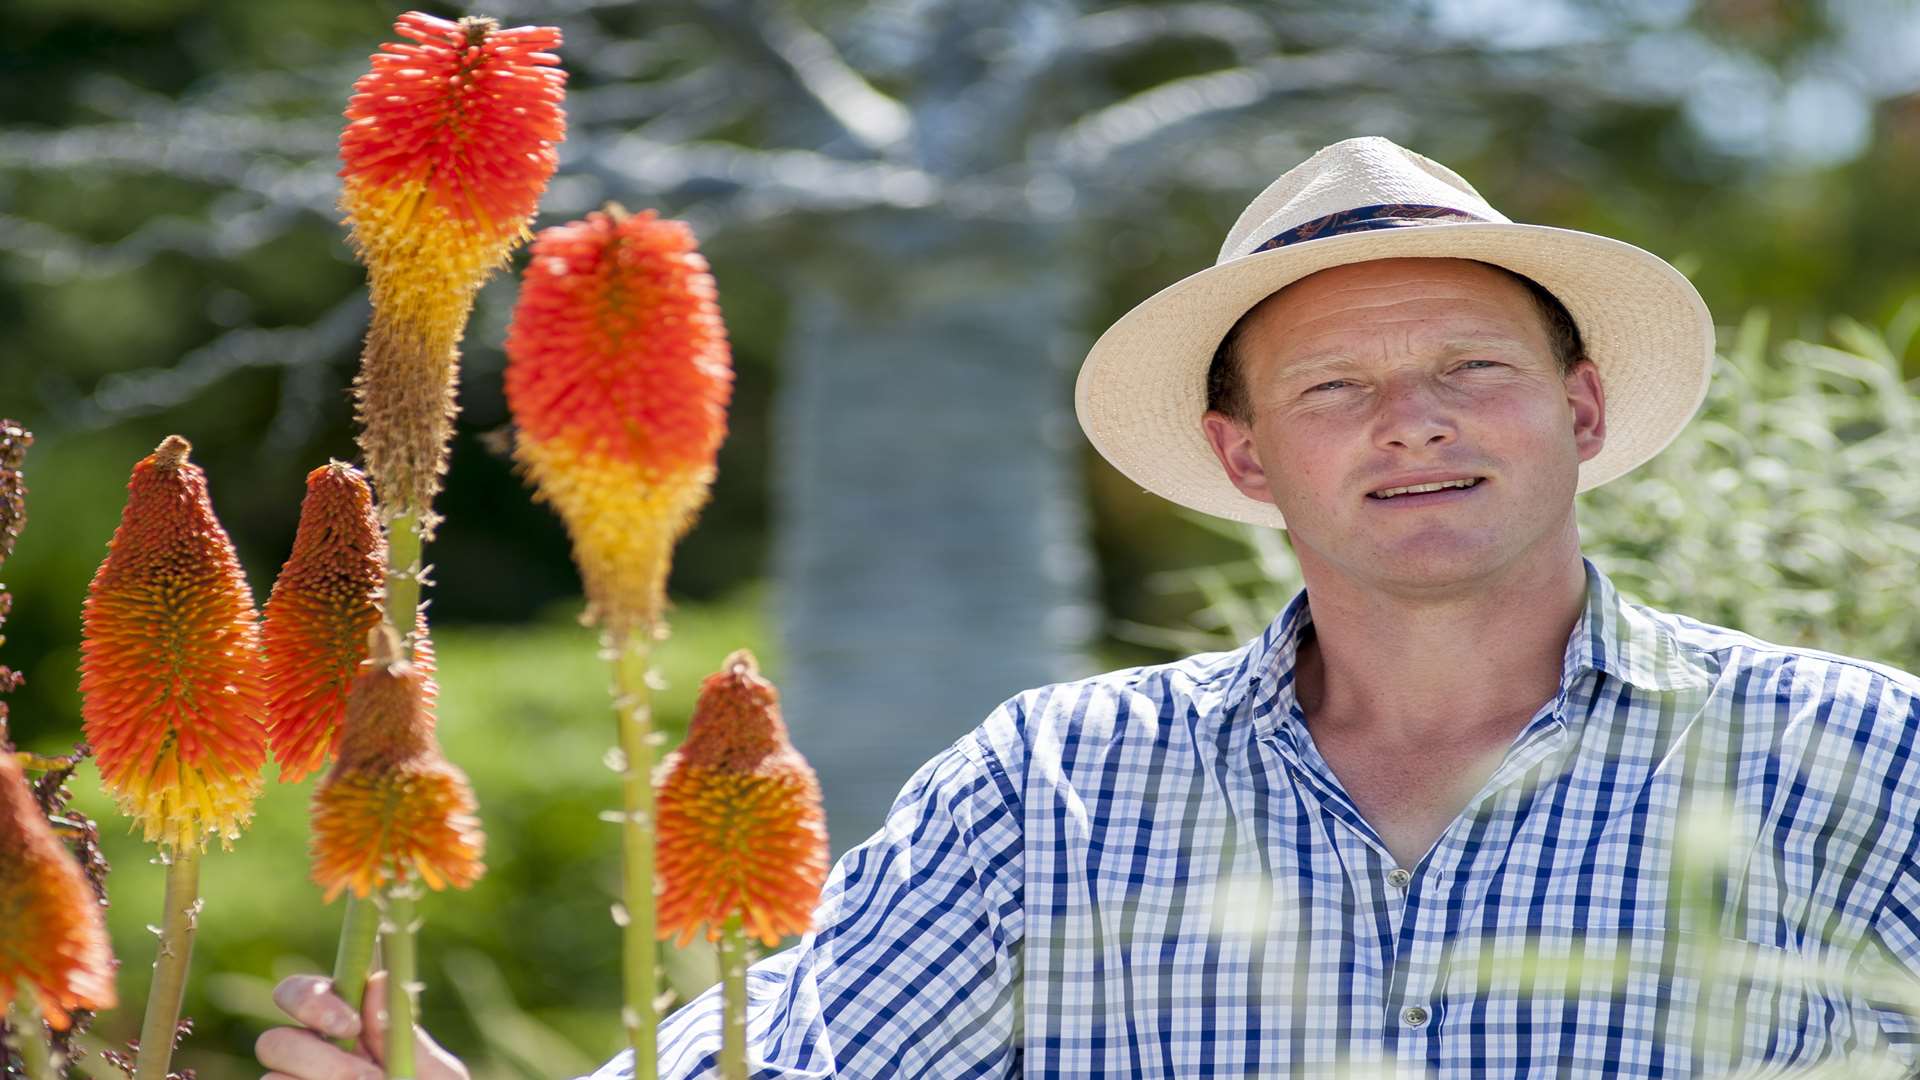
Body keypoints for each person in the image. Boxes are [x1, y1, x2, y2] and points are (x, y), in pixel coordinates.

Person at [256, 137, 1920, 1078]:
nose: (1413, 422)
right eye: (1333, 387)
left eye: (1472, 369)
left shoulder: (1856, 757)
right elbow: (800, 1055)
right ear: (1241, 454)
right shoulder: (1057, 784)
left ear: (1580, 413)